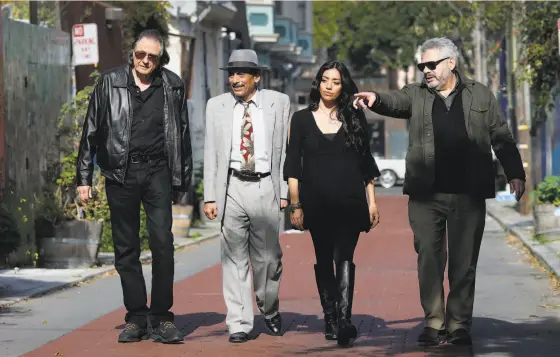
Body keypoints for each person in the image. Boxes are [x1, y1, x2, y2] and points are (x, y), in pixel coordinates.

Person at [353, 37, 526, 346]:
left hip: (467, 193)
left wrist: (515, 173)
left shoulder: (480, 95)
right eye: (422, 66)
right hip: (425, 193)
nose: (426, 71)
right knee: (429, 259)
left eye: (431, 64)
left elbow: (501, 135)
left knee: (464, 261)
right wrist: (374, 98)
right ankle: (434, 321)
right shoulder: (416, 95)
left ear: (451, 63)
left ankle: (459, 323)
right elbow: (394, 101)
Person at [76, 29, 192, 344]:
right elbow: (91, 130)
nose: (145, 60)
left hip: (158, 172)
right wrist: (84, 178)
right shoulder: (109, 83)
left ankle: (162, 317)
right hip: (120, 173)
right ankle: (137, 317)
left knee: (163, 245)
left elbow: (181, 134)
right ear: (132, 53)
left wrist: (181, 178)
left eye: (152, 57)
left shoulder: (172, 85)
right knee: (126, 249)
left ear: (159, 59)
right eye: (140, 54)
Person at [283, 61, 381, 347]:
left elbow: (366, 162)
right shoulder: (300, 119)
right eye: (325, 80)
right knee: (324, 259)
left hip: (350, 200)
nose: (329, 86)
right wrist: (295, 204)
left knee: (345, 258)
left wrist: (372, 202)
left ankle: (344, 320)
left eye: (335, 81)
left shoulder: (354, 117)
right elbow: (292, 167)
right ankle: (330, 318)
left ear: (343, 86)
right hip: (316, 202)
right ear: (318, 83)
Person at [202, 49, 290, 343]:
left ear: (256, 77)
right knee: (233, 259)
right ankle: (239, 321)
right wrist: (210, 196)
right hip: (232, 186)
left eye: (241, 73)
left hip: (266, 186)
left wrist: (286, 191)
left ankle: (269, 306)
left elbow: (284, 151)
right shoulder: (216, 106)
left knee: (267, 259)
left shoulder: (278, 102)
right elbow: (211, 151)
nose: (235, 79)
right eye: (231, 73)